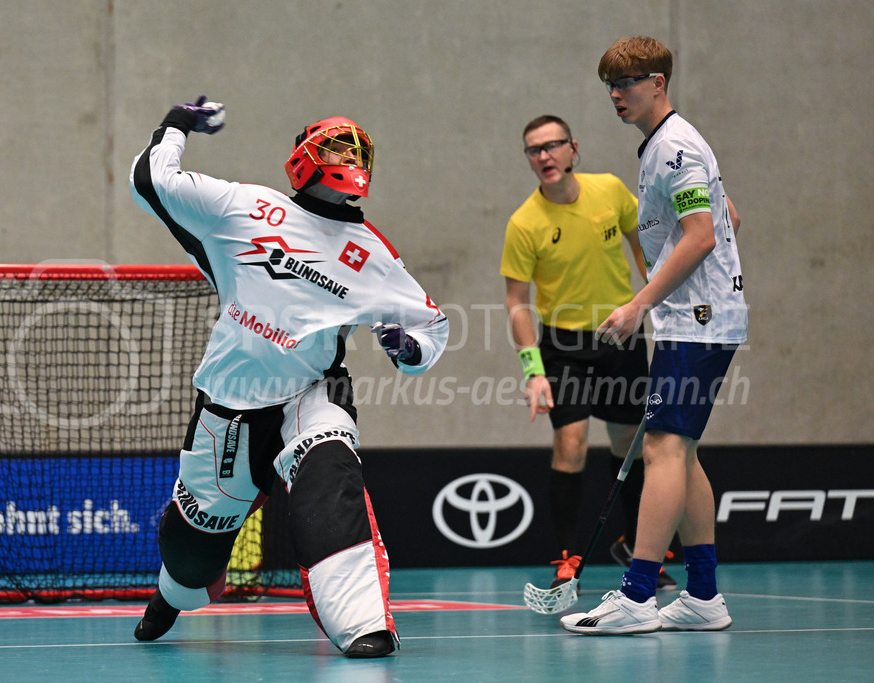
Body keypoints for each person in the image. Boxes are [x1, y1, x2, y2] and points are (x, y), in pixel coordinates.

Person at [128, 96, 449, 657]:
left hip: (311, 394)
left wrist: (407, 347)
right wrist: (177, 124)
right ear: (303, 156)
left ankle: (363, 625)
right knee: (190, 553)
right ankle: (172, 593)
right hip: (230, 401)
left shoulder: (374, 254)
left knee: (331, 480)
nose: (348, 156)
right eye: (334, 144)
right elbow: (151, 178)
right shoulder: (244, 205)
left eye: (357, 147)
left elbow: (431, 329)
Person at [561, 36, 746, 635]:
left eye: (628, 82)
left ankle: (638, 596)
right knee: (681, 453)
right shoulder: (662, 148)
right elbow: (727, 216)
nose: (616, 94)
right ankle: (703, 596)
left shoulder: (675, 148)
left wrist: (640, 302)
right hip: (692, 319)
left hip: (697, 322)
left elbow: (702, 235)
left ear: (659, 82)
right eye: (610, 85)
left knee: (662, 449)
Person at [501, 115, 677, 591]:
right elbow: (517, 303)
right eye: (534, 149)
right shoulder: (525, 223)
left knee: (629, 448)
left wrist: (655, 300)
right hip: (564, 346)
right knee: (571, 443)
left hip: (620, 334)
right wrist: (532, 370)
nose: (544, 156)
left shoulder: (611, 192)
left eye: (553, 145)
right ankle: (566, 554)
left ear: (573, 149)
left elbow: (645, 246)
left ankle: (637, 547)